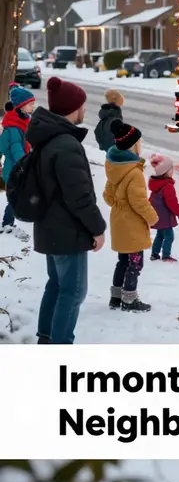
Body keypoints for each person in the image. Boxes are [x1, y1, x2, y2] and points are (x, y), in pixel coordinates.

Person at [26, 76, 106, 344]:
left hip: (51, 228)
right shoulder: (66, 144)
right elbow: (79, 197)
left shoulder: (49, 138)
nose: (85, 109)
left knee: (57, 286)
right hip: (66, 232)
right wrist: (97, 229)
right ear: (74, 107)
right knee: (73, 292)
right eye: (82, 104)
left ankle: (46, 339)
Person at [103, 120, 158, 312]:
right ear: (133, 145)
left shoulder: (114, 167)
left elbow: (107, 195)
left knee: (123, 261)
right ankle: (129, 299)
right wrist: (153, 218)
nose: (141, 144)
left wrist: (119, 206)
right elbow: (139, 203)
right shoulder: (134, 173)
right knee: (135, 264)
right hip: (132, 224)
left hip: (118, 221)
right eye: (139, 141)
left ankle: (116, 297)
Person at [1, 83, 36, 234]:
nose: (33, 107)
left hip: (19, 167)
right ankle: (7, 223)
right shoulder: (14, 127)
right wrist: (25, 163)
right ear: (21, 106)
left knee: (17, 196)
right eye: (30, 104)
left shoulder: (23, 121)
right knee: (15, 197)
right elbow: (16, 149)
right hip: (14, 169)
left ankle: (9, 222)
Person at [148, 153, 179, 262]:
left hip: (157, 215)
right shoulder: (167, 186)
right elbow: (172, 202)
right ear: (165, 172)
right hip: (164, 216)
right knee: (169, 236)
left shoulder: (157, 184)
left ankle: (154, 254)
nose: (173, 172)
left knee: (160, 234)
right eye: (171, 170)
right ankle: (166, 255)